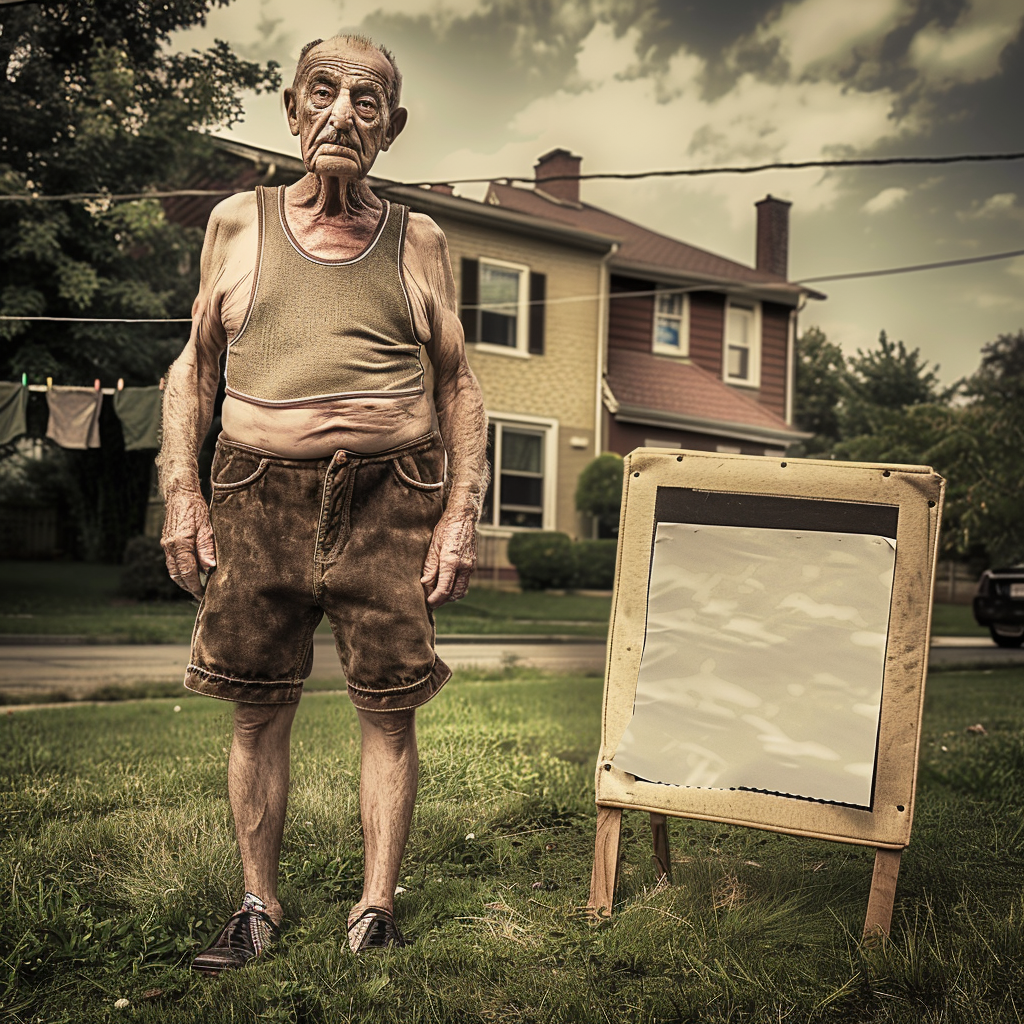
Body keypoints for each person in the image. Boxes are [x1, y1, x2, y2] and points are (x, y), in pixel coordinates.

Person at [156, 33, 487, 970]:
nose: (344, 113)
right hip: (256, 495)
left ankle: (375, 908)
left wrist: (461, 509)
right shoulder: (236, 222)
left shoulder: (419, 239)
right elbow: (195, 370)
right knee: (257, 705)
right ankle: (256, 905)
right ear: (292, 109)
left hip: (394, 495)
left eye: (368, 99)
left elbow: (459, 383)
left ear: (392, 128)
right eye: (325, 93)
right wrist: (183, 492)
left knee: (389, 705)